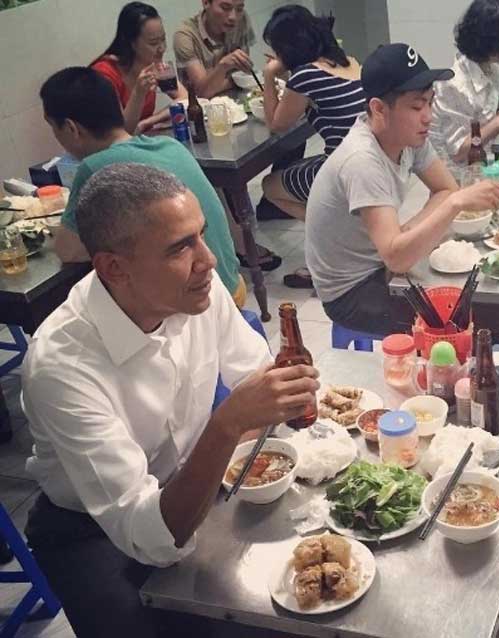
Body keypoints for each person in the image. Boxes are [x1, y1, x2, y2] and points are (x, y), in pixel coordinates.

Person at [21, 163, 320, 638]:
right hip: (89, 528)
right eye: (181, 247)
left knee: (288, 602)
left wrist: (283, 402)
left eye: (200, 235)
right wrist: (227, 424)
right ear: (114, 268)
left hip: (184, 479)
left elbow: (258, 375)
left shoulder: (192, 291)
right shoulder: (62, 366)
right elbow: (149, 536)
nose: (208, 260)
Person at [305, 43, 499, 335]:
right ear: (378, 108)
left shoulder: (409, 137)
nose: (428, 116)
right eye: (416, 106)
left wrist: (408, 232)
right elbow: (398, 257)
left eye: (429, 102)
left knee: (489, 303)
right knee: (468, 322)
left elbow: (444, 189)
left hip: (381, 265)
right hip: (352, 292)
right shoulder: (362, 160)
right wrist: (453, 206)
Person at [40, 67, 244, 306]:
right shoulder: (169, 145)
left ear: (72, 128)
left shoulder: (96, 168)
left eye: (54, 127)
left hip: (203, 301)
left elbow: (68, 250)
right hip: (232, 285)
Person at [259, 5, 366, 289]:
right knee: (299, 168)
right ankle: (344, 235)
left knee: (270, 186)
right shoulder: (348, 61)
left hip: (342, 172)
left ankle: (336, 242)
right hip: (365, 162)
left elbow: (276, 124)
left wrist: (269, 75)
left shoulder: (305, 75)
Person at [430, 0, 499, 163]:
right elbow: (459, 151)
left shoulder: (490, 67)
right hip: (457, 175)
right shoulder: (454, 85)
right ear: (493, 42)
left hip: (486, 162)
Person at [91, 2, 186, 135]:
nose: (162, 48)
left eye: (163, 39)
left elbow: (184, 98)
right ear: (131, 43)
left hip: (140, 139)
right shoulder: (105, 73)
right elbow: (120, 132)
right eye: (153, 43)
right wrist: (138, 93)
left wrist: (148, 122)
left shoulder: (154, 63)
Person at [173, 0, 255, 98]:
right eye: (225, 7)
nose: (233, 17)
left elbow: (244, 74)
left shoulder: (241, 19)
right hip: (202, 108)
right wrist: (223, 66)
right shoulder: (185, 35)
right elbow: (203, 93)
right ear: (206, 3)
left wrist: (215, 82)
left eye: (239, 9)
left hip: (238, 99)